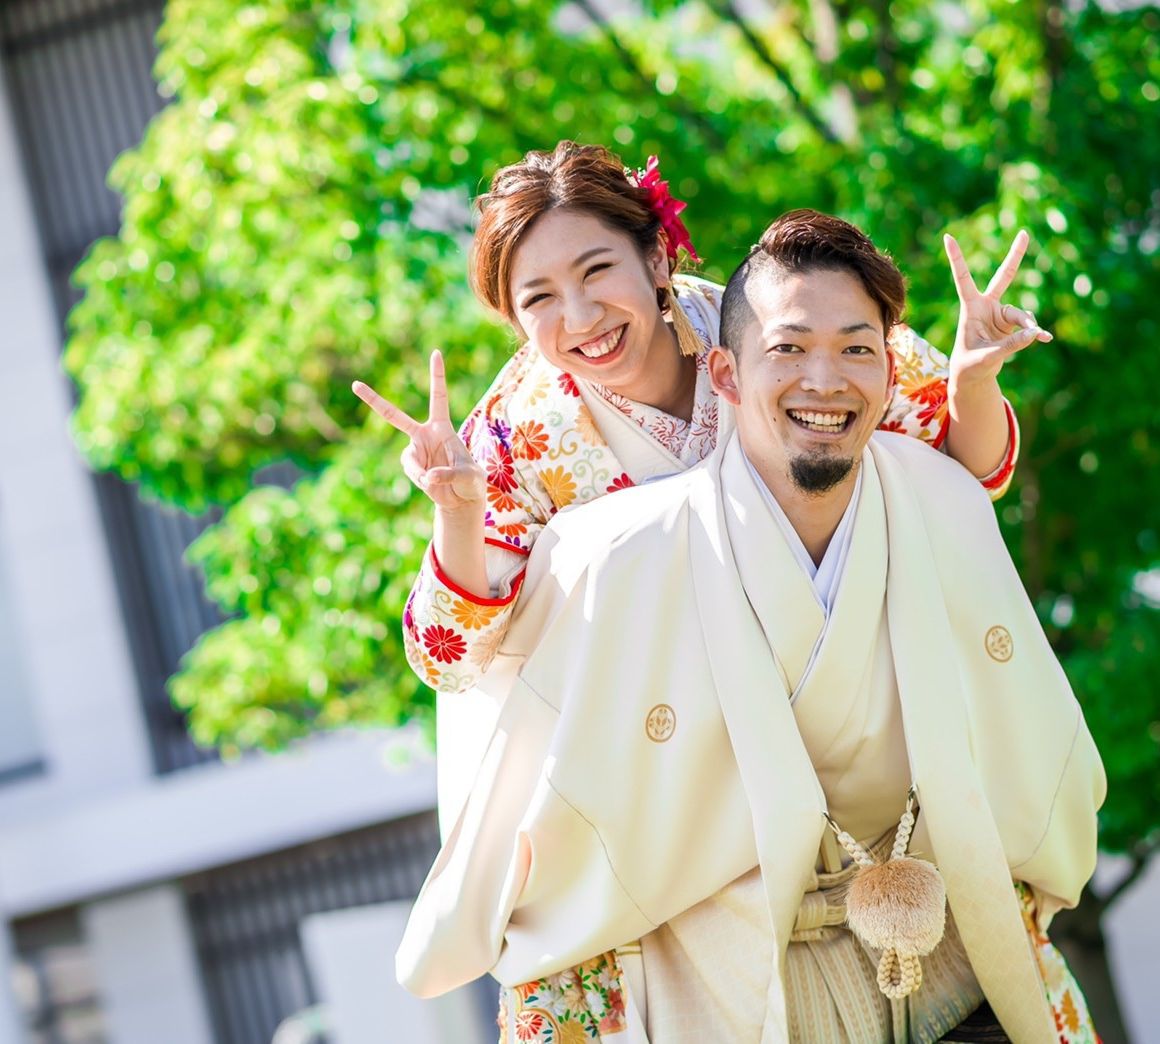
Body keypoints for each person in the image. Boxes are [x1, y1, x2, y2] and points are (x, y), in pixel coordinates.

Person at [393, 211, 1105, 1043]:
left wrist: (974, 383)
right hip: (676, 763)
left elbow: (953, 480)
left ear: (657, 257)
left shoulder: (788, 312)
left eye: (596, 272)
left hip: (860, 712)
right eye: (539, 298)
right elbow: (452, 655)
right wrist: (457, 514)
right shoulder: (517, 425)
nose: (580, 316)